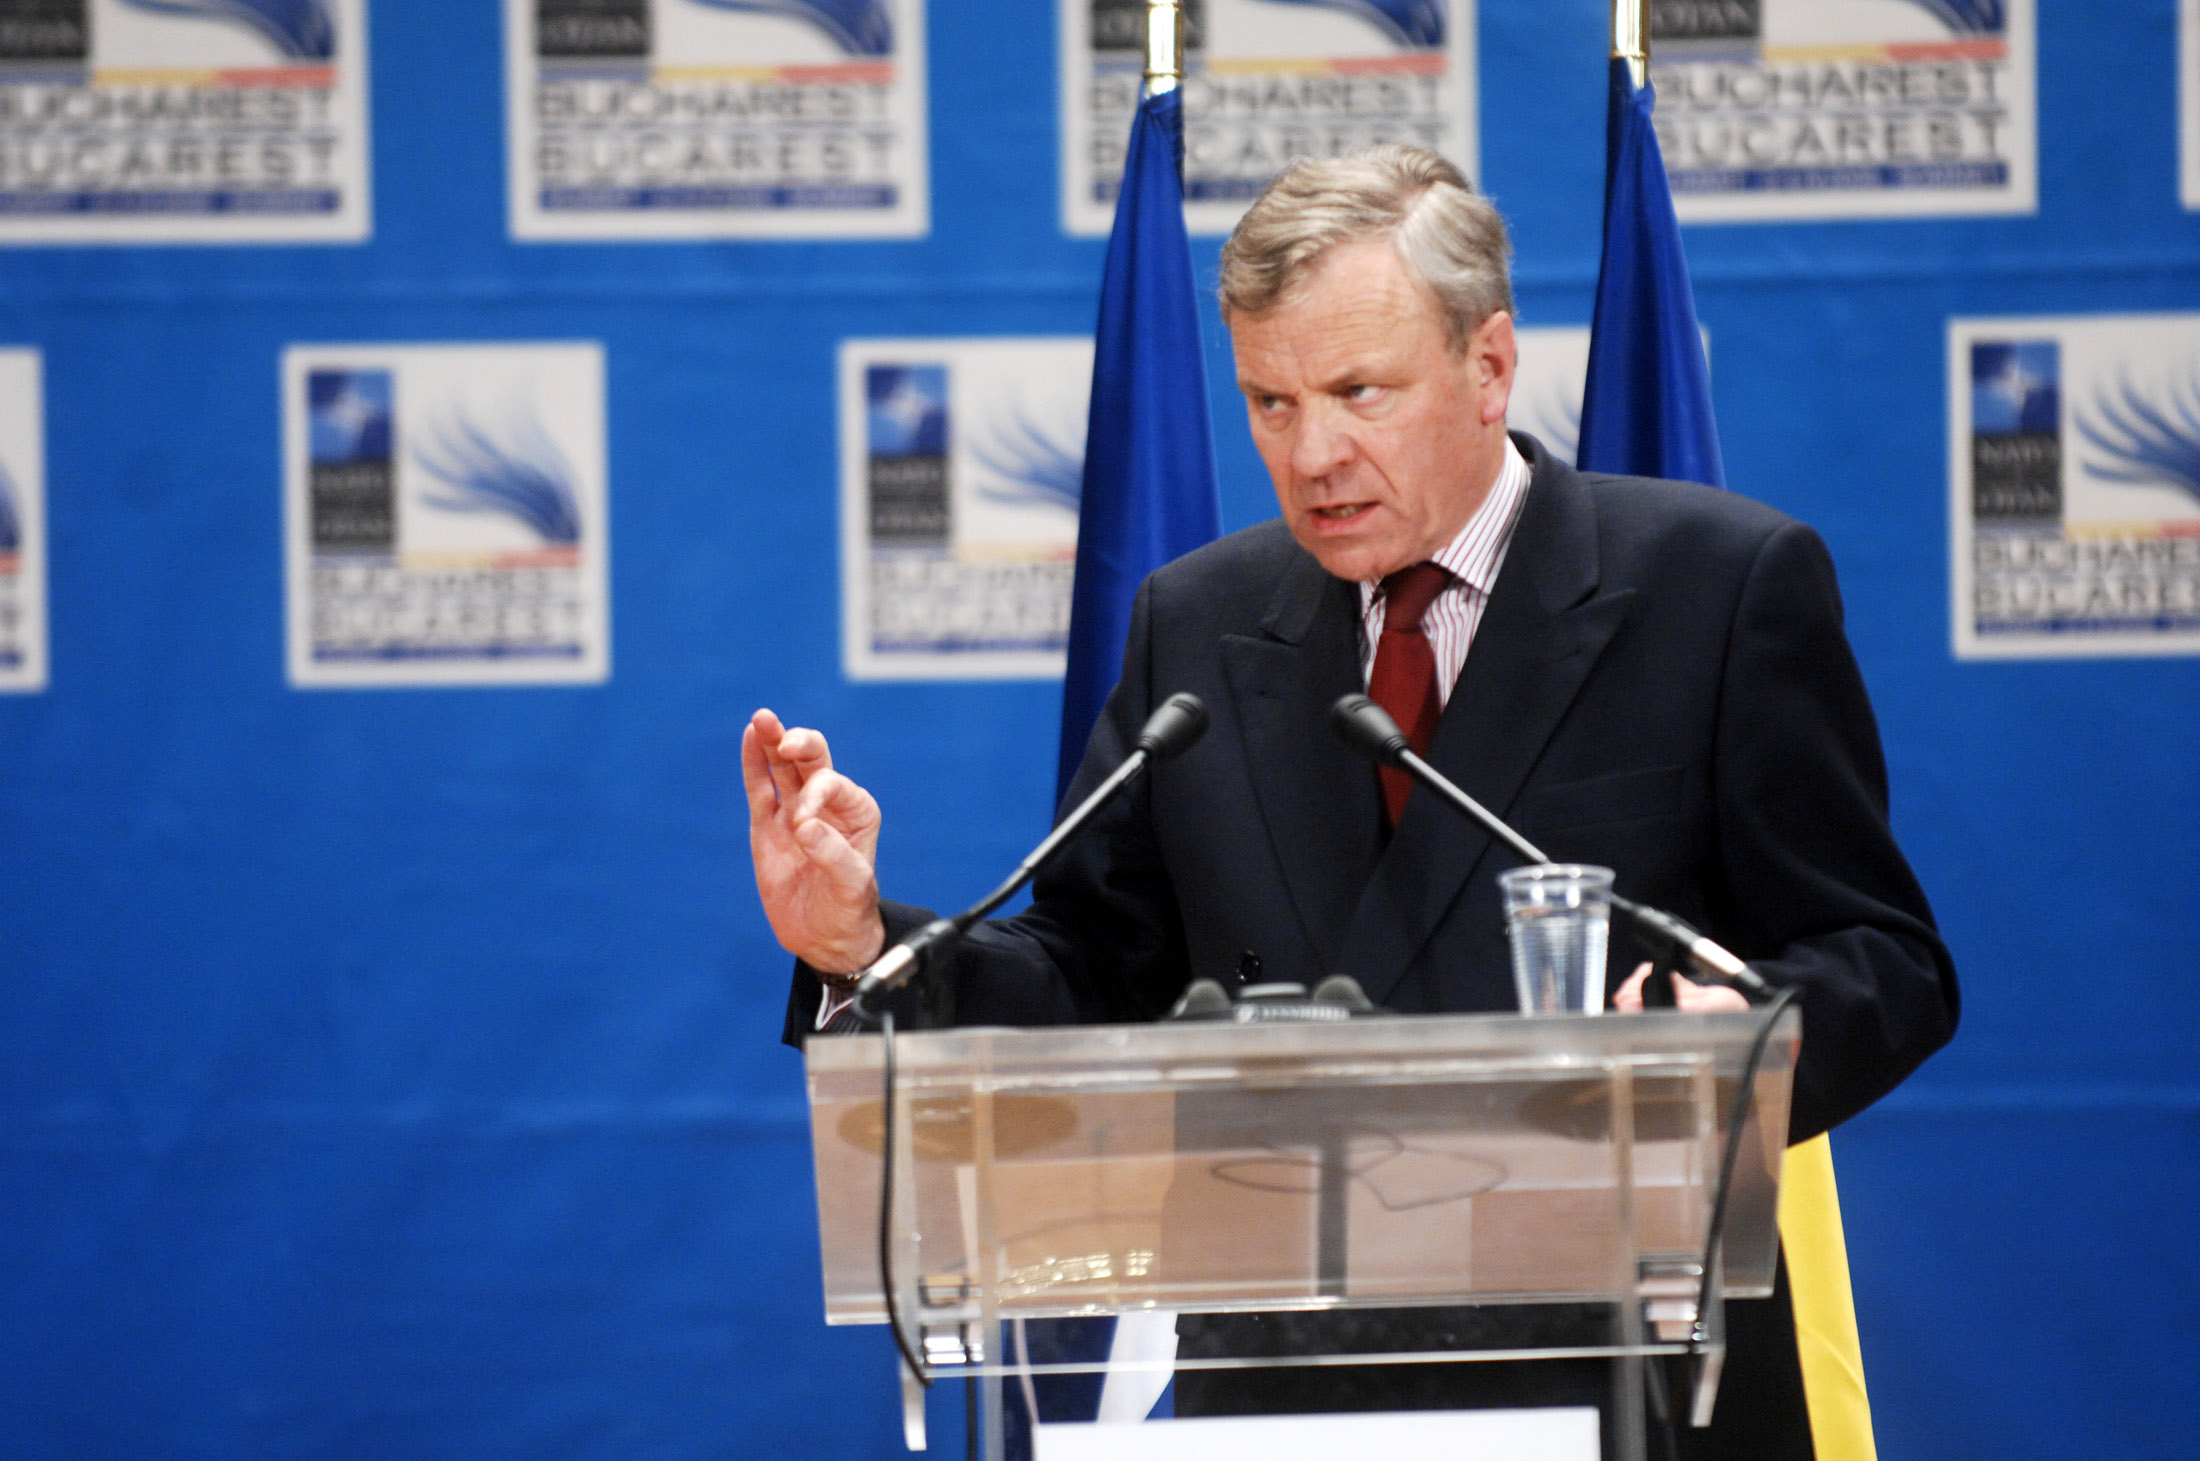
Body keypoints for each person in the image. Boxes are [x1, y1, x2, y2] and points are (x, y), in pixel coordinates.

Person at [745, 145, 1958, 1458]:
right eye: (1270, 402)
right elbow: (1093, 972)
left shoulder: (1715, 587)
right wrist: (862, 947)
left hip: (1638, 1380)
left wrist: (1745, 1042)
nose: (1312, 453)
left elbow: (1882, 956)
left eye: (1358, 392)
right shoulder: (1197, 624)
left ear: (1490, 365)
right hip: (1294, 1392)